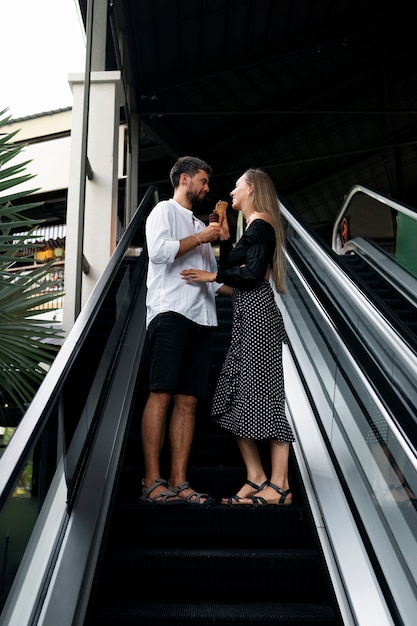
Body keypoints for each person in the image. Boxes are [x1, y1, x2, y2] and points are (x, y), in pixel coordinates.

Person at [181, 168, 295, 505]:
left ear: (251, 189)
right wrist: (218, 270)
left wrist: (211, 275)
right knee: (230, 401)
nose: (231, 191)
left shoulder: (261, 224)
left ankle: (280, 486)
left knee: (268, 400)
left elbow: (253, 274)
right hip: (248, 319)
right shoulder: (252, 227)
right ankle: (257, 477)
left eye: (236, 186)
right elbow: (241, 280)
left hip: (260, 320)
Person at [141, 155, 229, 505]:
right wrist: (202, 236)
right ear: (184, 179)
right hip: (170, 311)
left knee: (189, 401)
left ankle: (180, 482)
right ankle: (151, 481)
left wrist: (246, 281)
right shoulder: (164, 210)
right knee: (161, 393)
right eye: (203, 181)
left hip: (203, 317)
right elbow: (159, 253)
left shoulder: (200, 225)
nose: (207, 188)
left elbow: (209, 280)